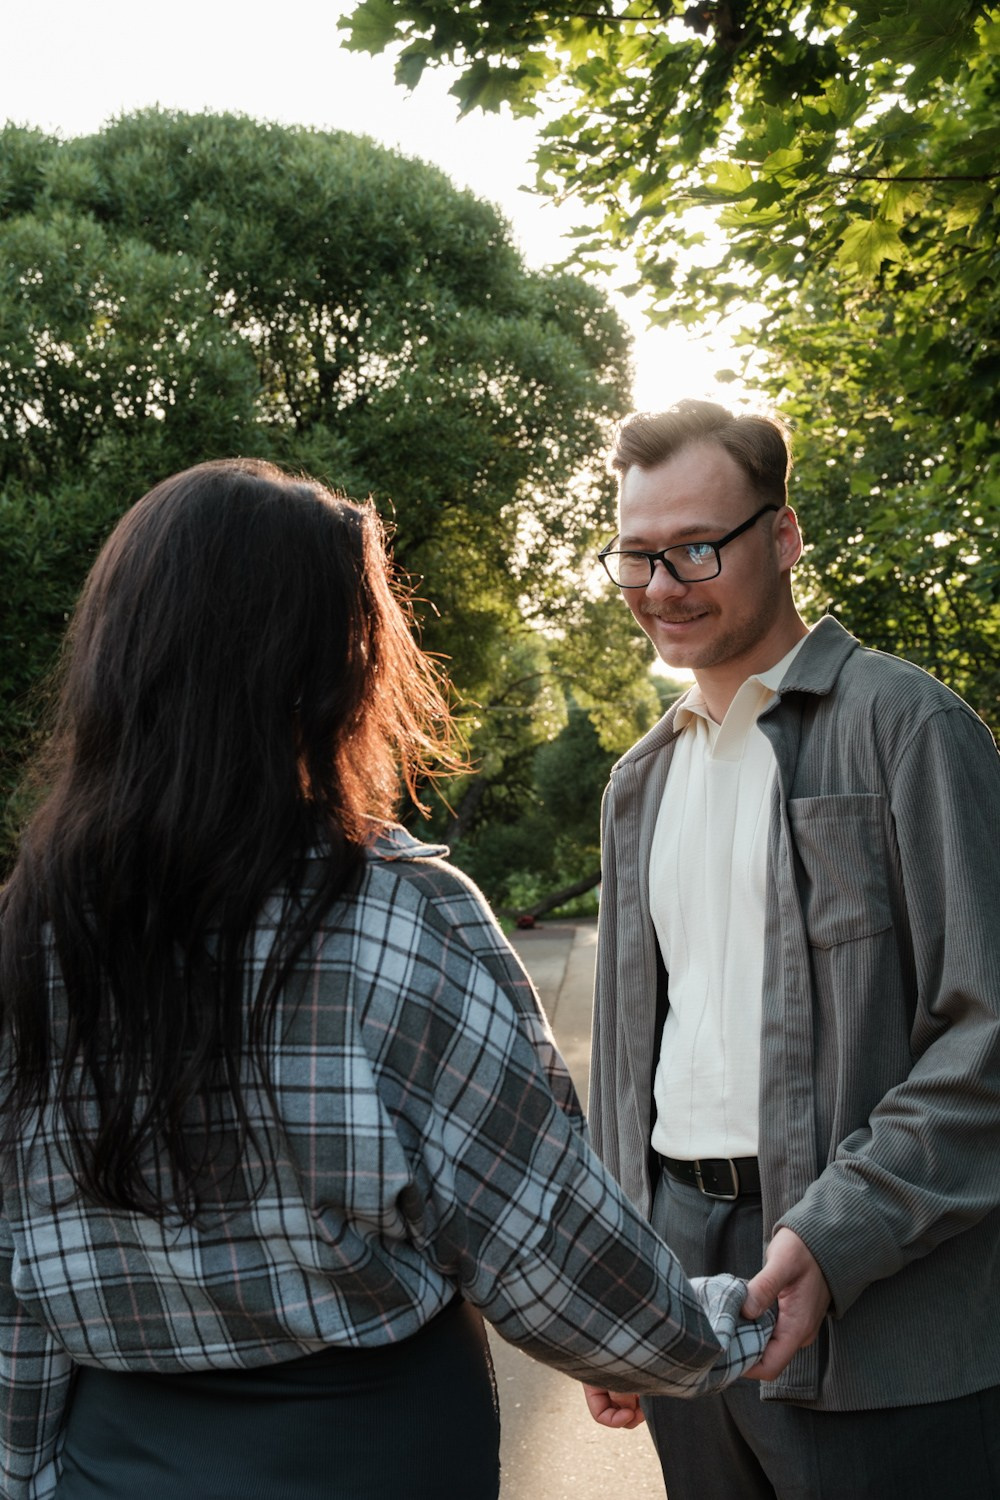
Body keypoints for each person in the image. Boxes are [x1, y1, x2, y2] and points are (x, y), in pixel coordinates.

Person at [0, 457, 774, 1500]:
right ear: (329, 666)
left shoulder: (31, 931)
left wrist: (30, 1472)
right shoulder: (395, 915)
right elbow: (539, 1243)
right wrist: (726, 1331)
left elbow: (14, 1285)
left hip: (114, 1460)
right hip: (368, 1457)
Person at [583, 400, 1000, 1498]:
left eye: (696, 549)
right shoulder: (638, 784)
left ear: (784, 536)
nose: (662, 587)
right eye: (637, 556)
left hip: (885, 1307)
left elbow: (988, 1038)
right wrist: (616, 1285)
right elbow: (631, 1068)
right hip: (681, 1280)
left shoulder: (909, 729)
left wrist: (834, 1236)